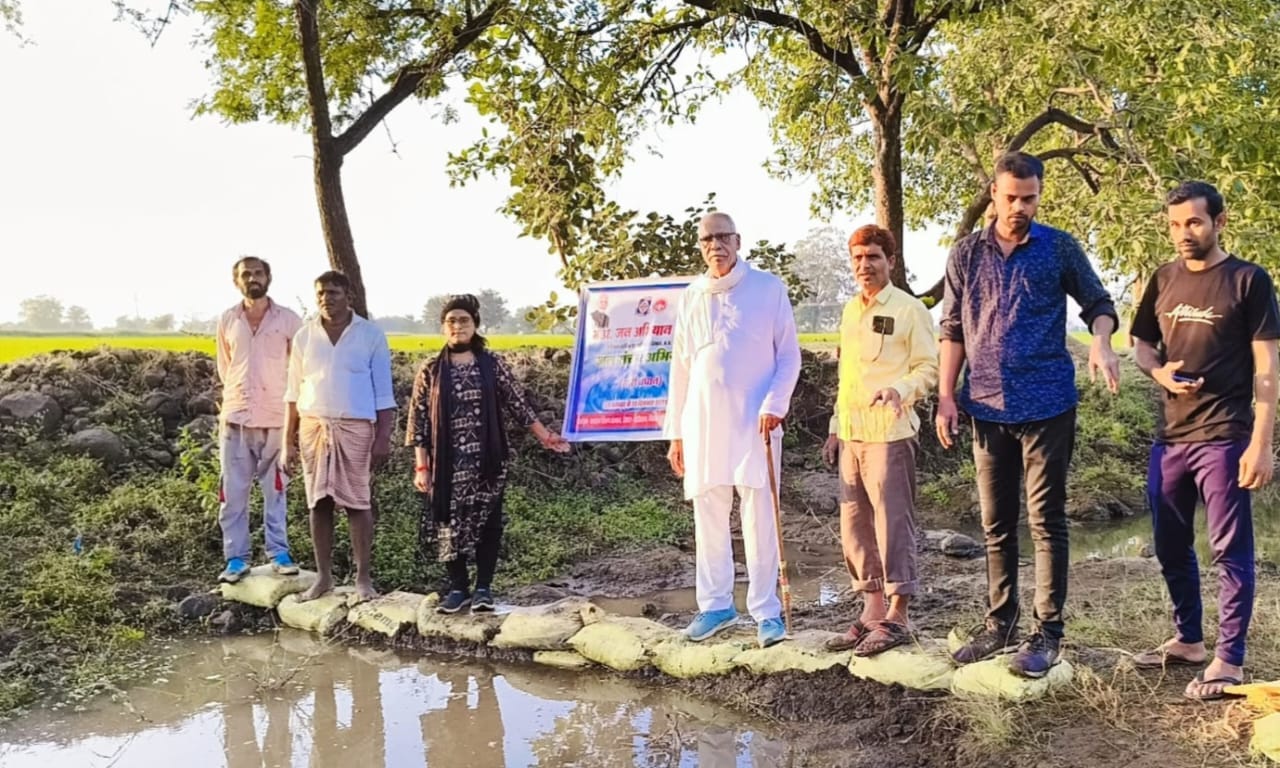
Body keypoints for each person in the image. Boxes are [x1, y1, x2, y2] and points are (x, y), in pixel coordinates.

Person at [936, 152, 1121, 678]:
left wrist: (1101, 342)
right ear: (993, 196)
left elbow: (1099, 303)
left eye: (1030, 198)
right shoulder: (966, 254)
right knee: (995, 523)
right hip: (986, 405)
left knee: (1046, 521)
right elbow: (952, 328)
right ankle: (1000, 624)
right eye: (1011, 197)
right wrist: (946, 396)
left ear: (1039, 196)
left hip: (1047, 405)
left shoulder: (1058, 247)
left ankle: (1048, 633)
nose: (1020, 207)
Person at [1128, 181, 1279, 700]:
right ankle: (1189, 640)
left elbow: (1267, 367)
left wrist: (1262, 441)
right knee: (1169, 543)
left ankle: (1229, 658)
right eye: (1174, 225)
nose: (1183, 233)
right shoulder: (1163, 278)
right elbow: (1142, 343)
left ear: (1219, 221)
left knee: (1229, 549)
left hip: (1225, 434)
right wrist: (1159, 373)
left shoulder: (1248, 280)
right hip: (1171, 436)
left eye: (1193, 222)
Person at [663, 211, 802, 649]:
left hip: (755, 420)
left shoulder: (767, 288)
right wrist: (676, 434)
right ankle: (716, 606)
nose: (715, 245)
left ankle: (766, 612)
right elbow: (681, 368)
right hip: (703, 423)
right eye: (707, 239)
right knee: (708, 513)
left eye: (723, 237)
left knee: (759, 515)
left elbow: (789, 356)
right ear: (700, 246)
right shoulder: (691, 296)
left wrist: (775, 404)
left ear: (738, 241)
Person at [406, 294, 570, 614]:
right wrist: (421, 466)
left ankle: (483, 588)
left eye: (464, 320)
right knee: (447, 522)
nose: (458, 326)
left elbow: (518, 404)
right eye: (451, 321)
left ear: (475, 324)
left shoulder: (492, 364)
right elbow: (418, 420)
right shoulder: (430, 369)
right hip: (446, 464)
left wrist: (545, 436)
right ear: (443, 327)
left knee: (488, 523)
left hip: (487, 460)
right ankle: (458, 588)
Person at [820, 225, 937, 655]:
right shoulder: (851, 311)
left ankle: (898, 615)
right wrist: (835, 427)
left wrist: (900, 390)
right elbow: (847, 377)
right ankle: (871, 610)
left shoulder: (909, 309)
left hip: (890, 433)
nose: (864, 265)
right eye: (857, 258)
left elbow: (928, 368)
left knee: (892, 525)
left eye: (873, 256)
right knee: (854, 526)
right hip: (852, 435)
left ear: (891, 261)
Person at [282, 271, 396, 603]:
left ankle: (363, 579)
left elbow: (384, 393)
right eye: (320, 293)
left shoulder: (370, 335)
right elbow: (292, 393)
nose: (325, 298)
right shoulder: (305, 336)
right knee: (319, 502)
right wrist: (286, 442)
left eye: (332, 292)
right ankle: (323, 577)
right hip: (313, 426)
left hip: (356, 427)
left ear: (348, 295)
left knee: (358, 502)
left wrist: (383, 437)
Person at [214, 256, 303, 583]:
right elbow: (226, 368)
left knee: (276, 490)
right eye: (246, 274)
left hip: (276, 419)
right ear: (236, 281)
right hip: (236, 419)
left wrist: (295, 423)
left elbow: (300, 370)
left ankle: (278, 553)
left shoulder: (289, 320)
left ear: (268, 277)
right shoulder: (228, 319)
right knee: (232, 493)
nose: (252, 278)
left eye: (258, 273)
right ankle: (236, 559)